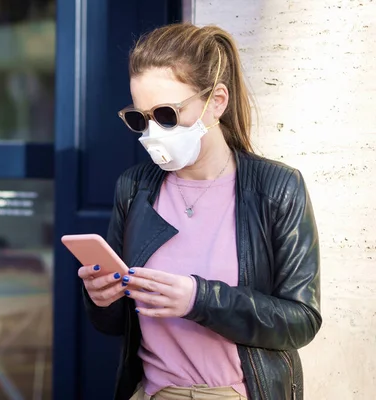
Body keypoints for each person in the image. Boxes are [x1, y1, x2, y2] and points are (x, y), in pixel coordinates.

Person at [78, 23, 321, 400]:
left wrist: (200, 299)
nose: (153, 132)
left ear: (217, 102)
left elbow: (301, 321)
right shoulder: (135, 187)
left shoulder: (276, 188)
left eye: (167, 114)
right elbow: (116, 325)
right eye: (141, 119)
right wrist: (101, 297)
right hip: (154, 392)